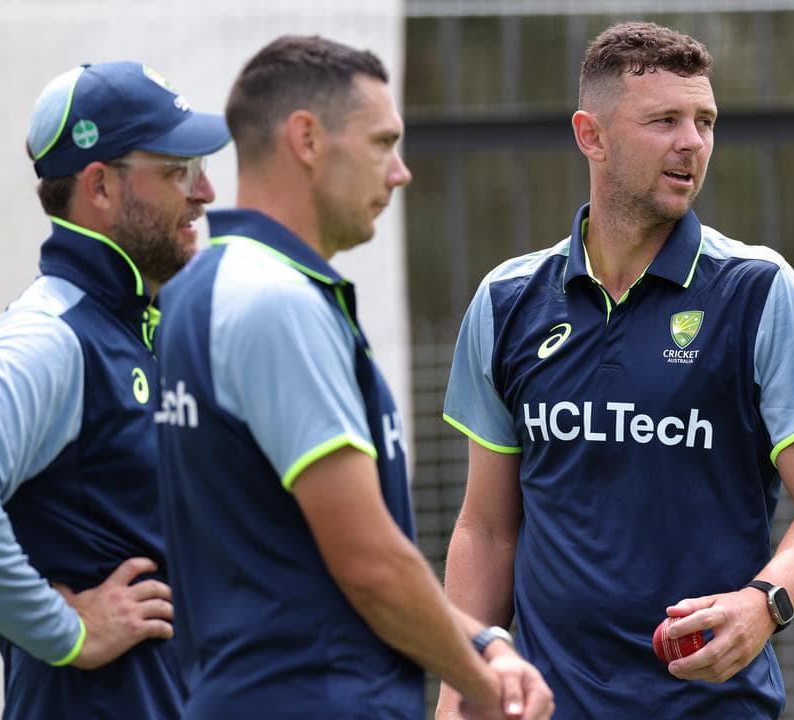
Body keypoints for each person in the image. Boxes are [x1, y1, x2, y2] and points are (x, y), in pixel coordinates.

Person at [436, 21, 794, 719]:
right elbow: (488, 529)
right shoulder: (508, 301)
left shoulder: (756, 290)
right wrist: (458, 692)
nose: (692, 142)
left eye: (705, 121)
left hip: (711, 707)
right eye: (664, 120)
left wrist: (765, 603)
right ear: (591, 135)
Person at [153, 35, 554, 720]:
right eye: (381, 142)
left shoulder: (198, 289)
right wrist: (480, 685)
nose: (400, 172)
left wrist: (484, 641)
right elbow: (367, 562)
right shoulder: (277, 303)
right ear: (307, 138)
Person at [0, 61, 229, 719]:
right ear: (99, 187)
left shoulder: (145, 325)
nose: (207, 190)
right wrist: (65, 630)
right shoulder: (50, 336)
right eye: (178, 170)